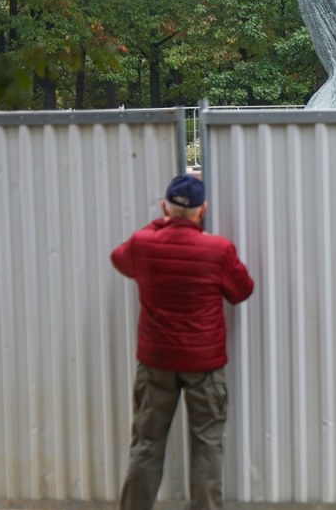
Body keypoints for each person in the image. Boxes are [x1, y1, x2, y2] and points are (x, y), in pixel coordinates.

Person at [111, 174, 255, 510]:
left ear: (164, 207)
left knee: (147, 444)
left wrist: (159, 225)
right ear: (202, 210)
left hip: (156, 362)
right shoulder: (219, 250)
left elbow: (119, 258)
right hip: (204, 365)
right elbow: (242, 290)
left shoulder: (143, 243)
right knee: (207, 445)